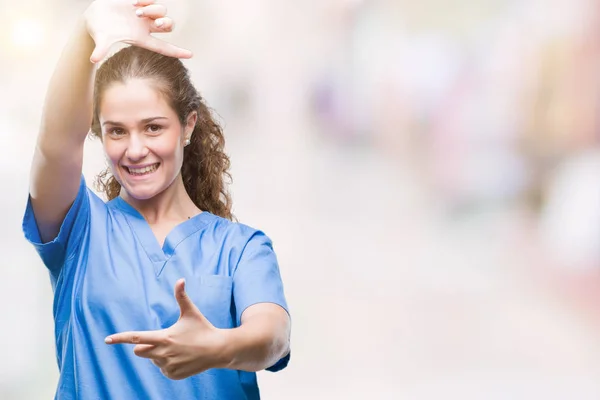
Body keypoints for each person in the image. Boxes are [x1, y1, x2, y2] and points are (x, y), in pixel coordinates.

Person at [21, 0, 291, 399]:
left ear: (187, 126)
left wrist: (216, 347)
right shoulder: (79, 230)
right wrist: (85, 31)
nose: (134, 149)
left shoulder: (241, 249)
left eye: (152, 128)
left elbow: (272, 337)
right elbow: (56, 145)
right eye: (116, 131)